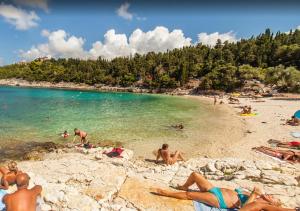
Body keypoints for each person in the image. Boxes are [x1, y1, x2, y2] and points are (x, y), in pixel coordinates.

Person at [154, 172, 296, 210]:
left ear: (272, 204)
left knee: (190, 195)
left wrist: (253, 194)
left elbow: (245, 209)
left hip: (220, 200)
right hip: (216, 190)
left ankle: (164, 193)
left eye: (273, 198)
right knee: (195, 175)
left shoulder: (259, 206)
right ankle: (184, 185)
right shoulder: (259, 197)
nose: (271, 195)